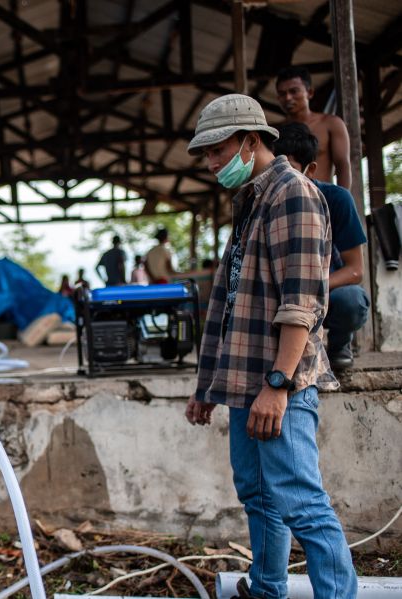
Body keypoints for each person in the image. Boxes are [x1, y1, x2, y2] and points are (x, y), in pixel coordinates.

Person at [184, 94, 355, 599]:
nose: (212, 163)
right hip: (245, 382)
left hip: (279, 382)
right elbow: (231, 302)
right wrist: (207, 387)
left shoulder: (293, 195)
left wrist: (278, 384)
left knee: (301, 500)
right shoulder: (252, 201)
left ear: (251, 141)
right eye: (207, 154)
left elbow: (301, 303)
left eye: (218, 150)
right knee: (258, 495)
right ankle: (266, 588)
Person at [274, 122, 369, 370]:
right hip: (278, 294)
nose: (281, 179)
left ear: (311, 170)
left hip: (324, 289)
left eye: (290, 170)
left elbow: (356, 271)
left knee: (351, 300)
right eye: (274, 170)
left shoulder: (337, 199)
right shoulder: (263, 201)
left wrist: (310, 289)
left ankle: (338, 344)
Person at [275, 65, 351, 189]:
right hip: (286, 202)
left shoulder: (330, 124)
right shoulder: (276, 131)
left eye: (294, 91)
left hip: (322, 201)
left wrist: (341, 199)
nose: (288, 98)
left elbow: (343, 166)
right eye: (282, 94)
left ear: (310, 92)